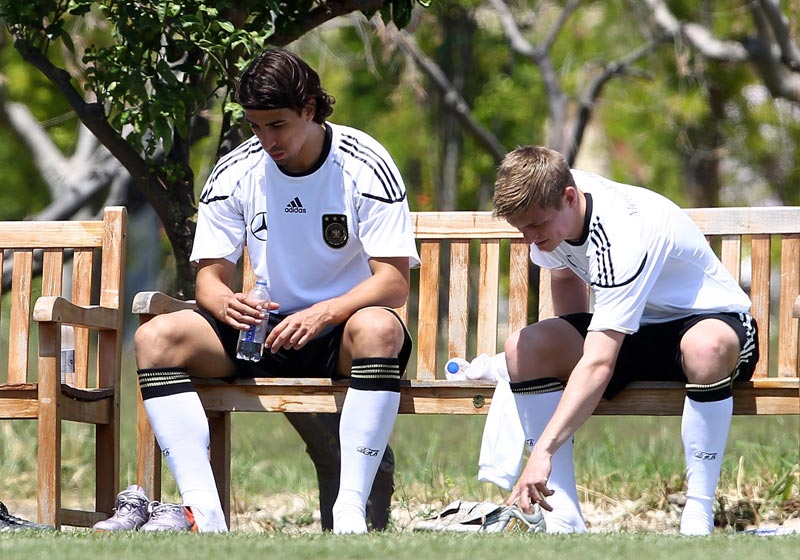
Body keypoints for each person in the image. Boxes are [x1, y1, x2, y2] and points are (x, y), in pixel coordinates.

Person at [97, 48, 420, 533]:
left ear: (309, 109)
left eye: (278, 125)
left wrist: (325, 313)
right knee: (154, 338)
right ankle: (204, 514)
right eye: (255, 126)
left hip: (343, 336)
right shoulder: (235, 170)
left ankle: (349, 511)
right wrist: (227, 303)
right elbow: (208, 280)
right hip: (262, 335)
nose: (267, 140)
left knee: (379, 328)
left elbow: (393, 283)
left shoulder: (364, 162)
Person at [492, 146, 758, 536]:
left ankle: (698, 512)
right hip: (632, 331)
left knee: (706, 348)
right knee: (524, 348)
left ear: (569, 198)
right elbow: (565, 276)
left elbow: (599, 361)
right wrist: (569, 364)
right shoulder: (553, 203)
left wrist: (542, 451)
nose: (530, 238)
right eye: (521, 230)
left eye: (536, 226)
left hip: (712, 324)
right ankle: (561, 513)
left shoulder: (623, 233)